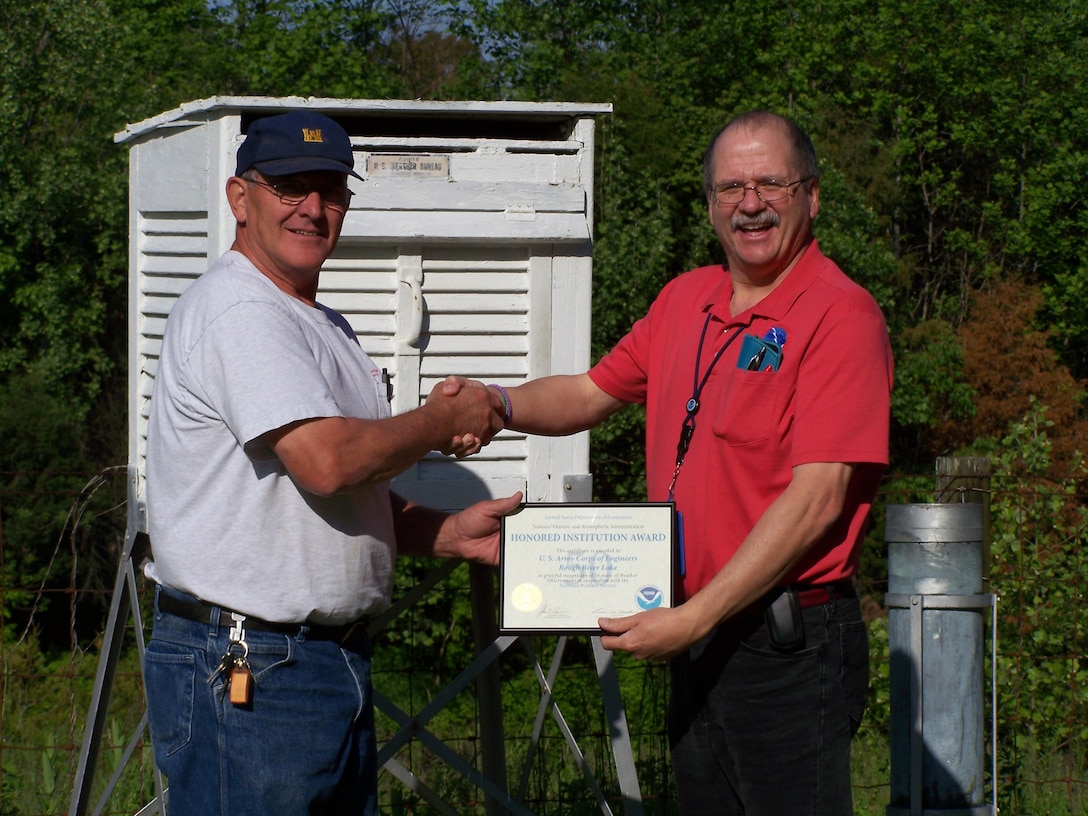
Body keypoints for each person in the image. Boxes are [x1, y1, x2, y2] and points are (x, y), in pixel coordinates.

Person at [479, 111, 893, 814]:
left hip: (783, 647)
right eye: (730, 186)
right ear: (709, 205)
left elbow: (819, 498)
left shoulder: (840, 316)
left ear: (812, 195)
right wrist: (493, 405)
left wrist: (697, 616)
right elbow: (586, 392)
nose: (750, 202)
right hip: (696, 632)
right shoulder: (684, 302)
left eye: (770, 182)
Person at [143, 110, 520, 816]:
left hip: (316, 667)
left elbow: (337, 495)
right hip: (252, 669)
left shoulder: (323, 324)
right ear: (239, 197)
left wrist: (445, 533)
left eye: (331, 191)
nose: (313, 209)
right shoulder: (239, 310)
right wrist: (441, 421)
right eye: (290, 187)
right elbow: (325, 463)